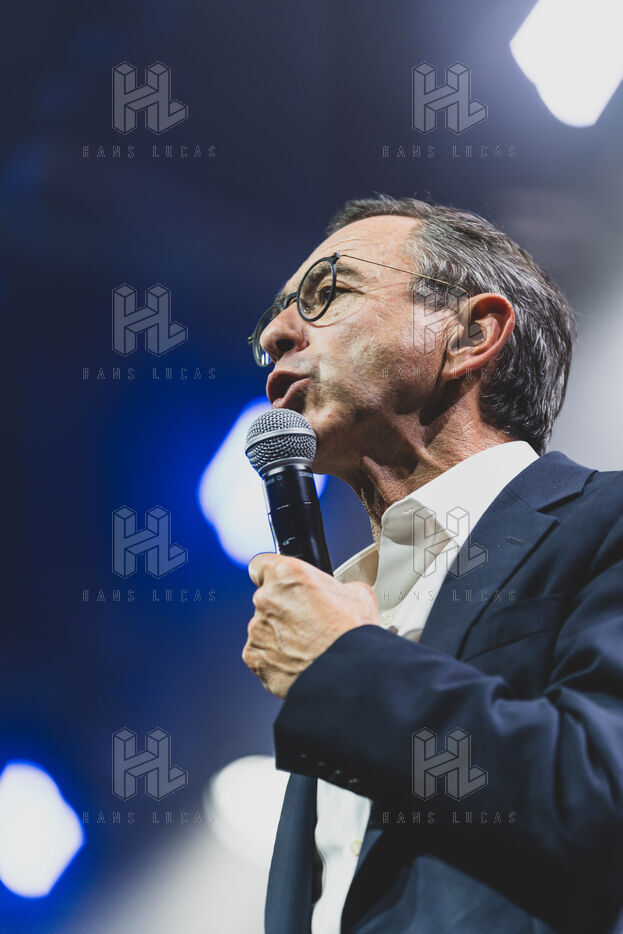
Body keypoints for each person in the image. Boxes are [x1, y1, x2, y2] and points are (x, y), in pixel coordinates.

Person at [242, 195, 623, 934]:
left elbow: (599, 795)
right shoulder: (350, 603)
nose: (274, 334)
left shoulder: (604, 525)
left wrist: (347, 668)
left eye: (327, 292)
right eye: (277, 314)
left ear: (471, 333)